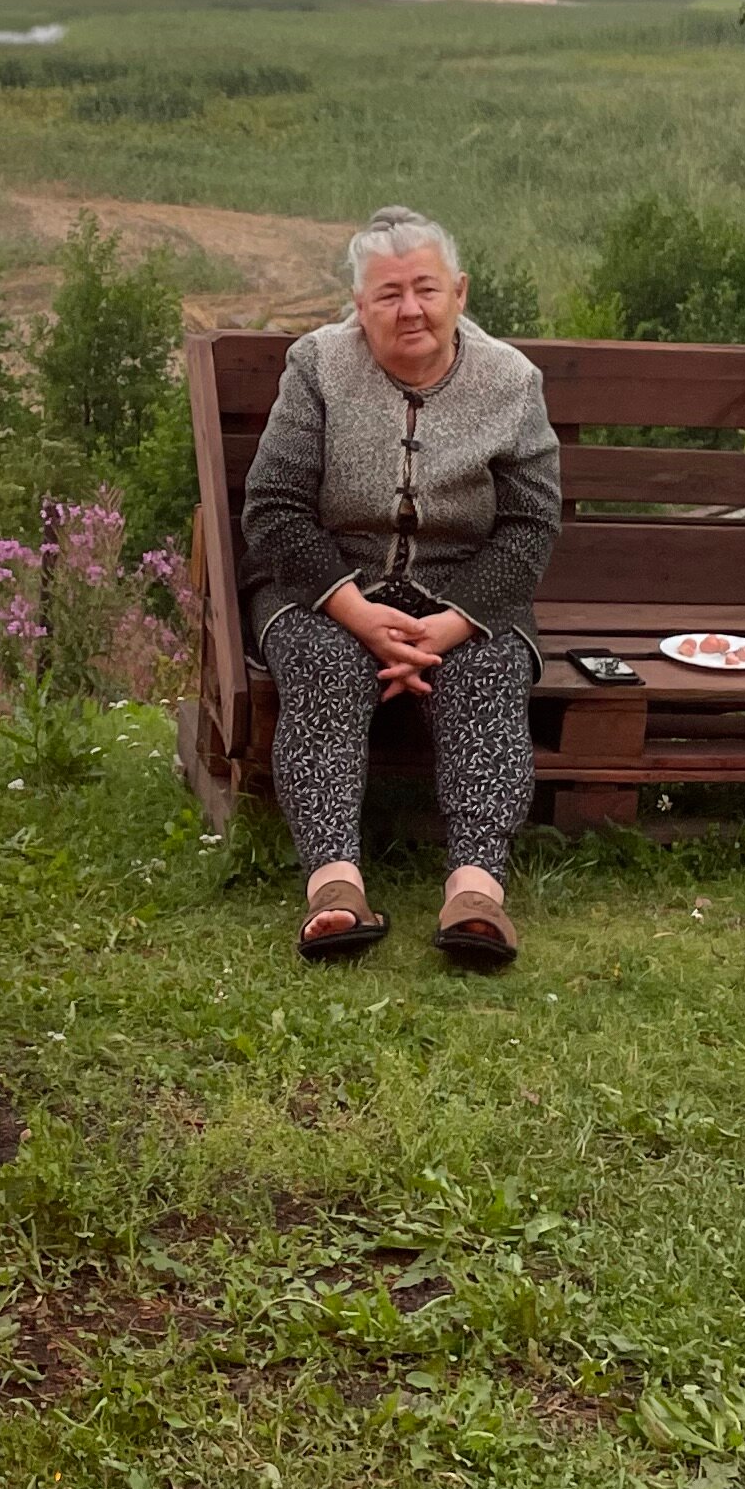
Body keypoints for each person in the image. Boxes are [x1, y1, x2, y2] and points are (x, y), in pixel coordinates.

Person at [239, 206, 561, 966]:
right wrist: (358, 614)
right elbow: (274, 509)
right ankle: (334, 885)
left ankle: (476, 891)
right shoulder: (316, 367)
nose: (409, 308)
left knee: (488, 671)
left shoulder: (511, 381)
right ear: (359, 306)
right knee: (324, 663)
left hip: (465, 590)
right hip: (322, 586)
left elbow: (530, 526)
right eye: (387, 294)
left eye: (424, 288)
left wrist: (451, 625)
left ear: (459, 292)